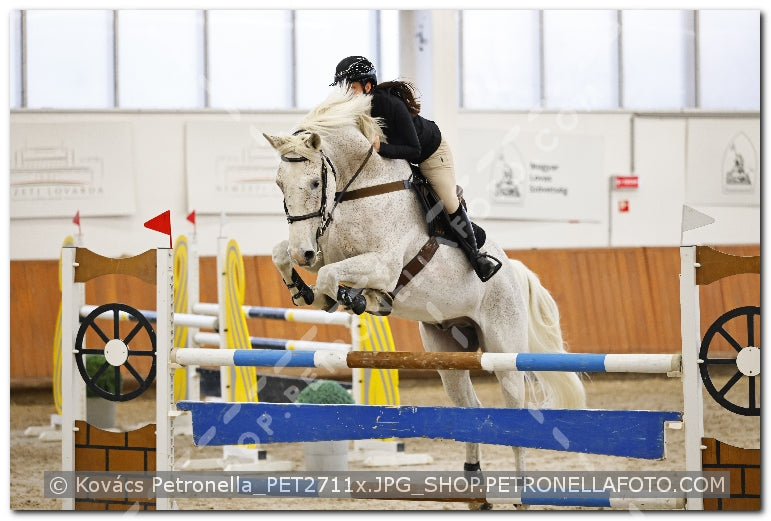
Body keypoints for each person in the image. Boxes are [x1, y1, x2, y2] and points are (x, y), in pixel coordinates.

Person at [330, 55, 501, 282]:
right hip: (399, 158)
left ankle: (477, 257)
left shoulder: (390, 105)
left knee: (448, 201)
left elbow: (413, 149)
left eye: (351, 88)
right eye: (343, 88)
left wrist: (381, 148)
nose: (346, 94)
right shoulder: (352, 109)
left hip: (430, 154)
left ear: (368, 86)